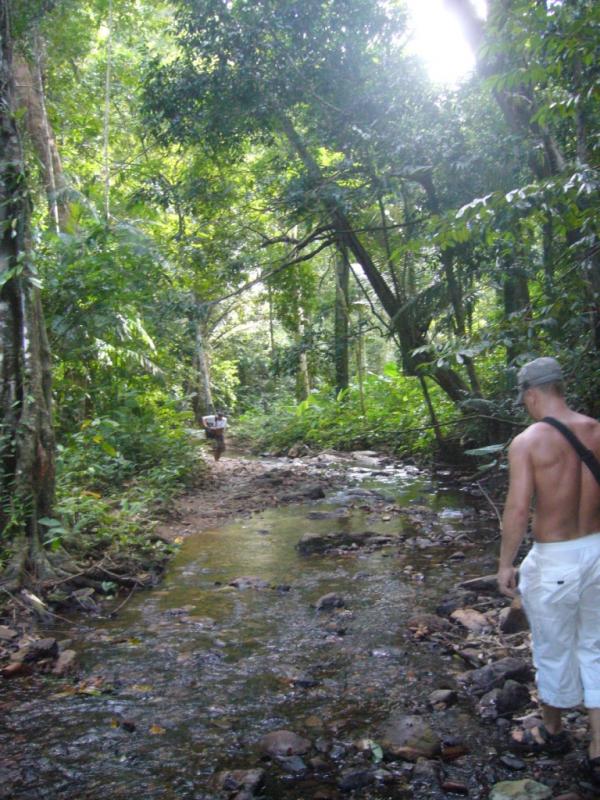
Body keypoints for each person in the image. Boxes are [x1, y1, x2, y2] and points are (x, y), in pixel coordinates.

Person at [497, 356, 600, 783]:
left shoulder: (527, 442)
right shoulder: (597, 430)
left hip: (555, 559)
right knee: (595, 645)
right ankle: (598, 745)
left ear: (533, 393)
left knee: (554, 648)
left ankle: (554, 729)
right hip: (597, 551)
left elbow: (519, 509)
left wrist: (505, 563)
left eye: (524, 400)